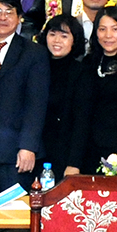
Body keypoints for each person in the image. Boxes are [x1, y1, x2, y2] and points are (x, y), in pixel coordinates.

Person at [0, 0, 50, 194]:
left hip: (16, 152)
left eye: (9, 12)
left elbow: (36, 105)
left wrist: (28, 146)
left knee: (14, 210)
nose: (2, 17)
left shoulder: (34, 53)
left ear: (19, 18)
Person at [65, 7, 117, 174]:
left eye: (115, 29)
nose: (108, 35)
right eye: (102, 29)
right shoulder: (88, 63)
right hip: (89, 152)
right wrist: (74, 161)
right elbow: (82, 115)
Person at [34, 13, 84, 174]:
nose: (57, 41)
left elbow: (81, 122)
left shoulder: (81, 72)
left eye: (64, 36)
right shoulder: (36, 67)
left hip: (65, 153)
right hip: (35, 151)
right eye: (52, 34)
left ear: (74, 40)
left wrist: (74, 162)